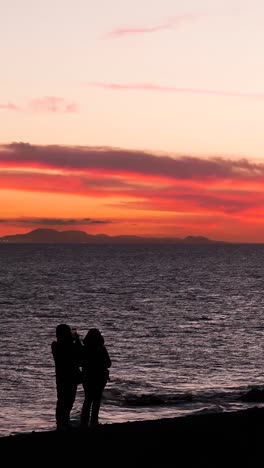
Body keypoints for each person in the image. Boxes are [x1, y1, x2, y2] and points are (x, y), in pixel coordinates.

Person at [51, 324, 82, 430]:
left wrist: (74, 340)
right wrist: (77, 340)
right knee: (66, 401)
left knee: (64, 401)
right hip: (69, 376)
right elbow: (78, 353)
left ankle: (62, 423)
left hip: (62, 377)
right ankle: (62, 423)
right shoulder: (60, 346)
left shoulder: (57, 345)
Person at [80, 328, 111, 427]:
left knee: (87, 399)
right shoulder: (101, 348)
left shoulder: (85, 348)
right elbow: (108, 363)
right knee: (96, 400)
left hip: (87, 377)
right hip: (100, 377)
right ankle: (94, 422)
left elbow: (80, 362)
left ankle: (84, 423)